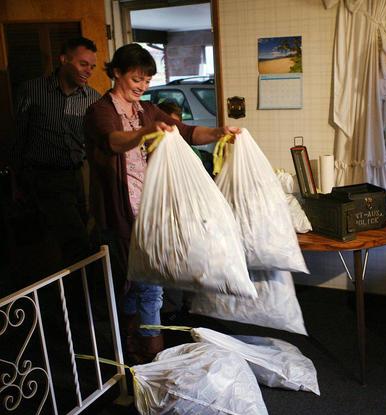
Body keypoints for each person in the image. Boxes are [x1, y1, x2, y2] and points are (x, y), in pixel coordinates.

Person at [84, 43, 239, 363]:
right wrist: (144, 133)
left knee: (138, 282)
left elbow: (187, 132)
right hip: (121, 212)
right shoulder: (100, 111)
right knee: (146, 282)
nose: (141, 87)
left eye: (146, 81)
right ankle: (152, 352)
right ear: (116, 73)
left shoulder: (146, 110)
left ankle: (133, 344)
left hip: (151, 210)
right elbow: (113, 142)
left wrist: (220, 132)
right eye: (136, 79)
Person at [11, 37, 100, 271]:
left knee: (85, 234)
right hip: (45, 177)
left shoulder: (92, 98)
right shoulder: (32, 90)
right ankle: (79, 299)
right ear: (64, 60)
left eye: (92, 66)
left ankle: (79, 293)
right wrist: (15, 181)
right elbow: (17, 137)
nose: (88, 71)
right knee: (74, 241)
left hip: (80, 176)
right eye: (83, 64)